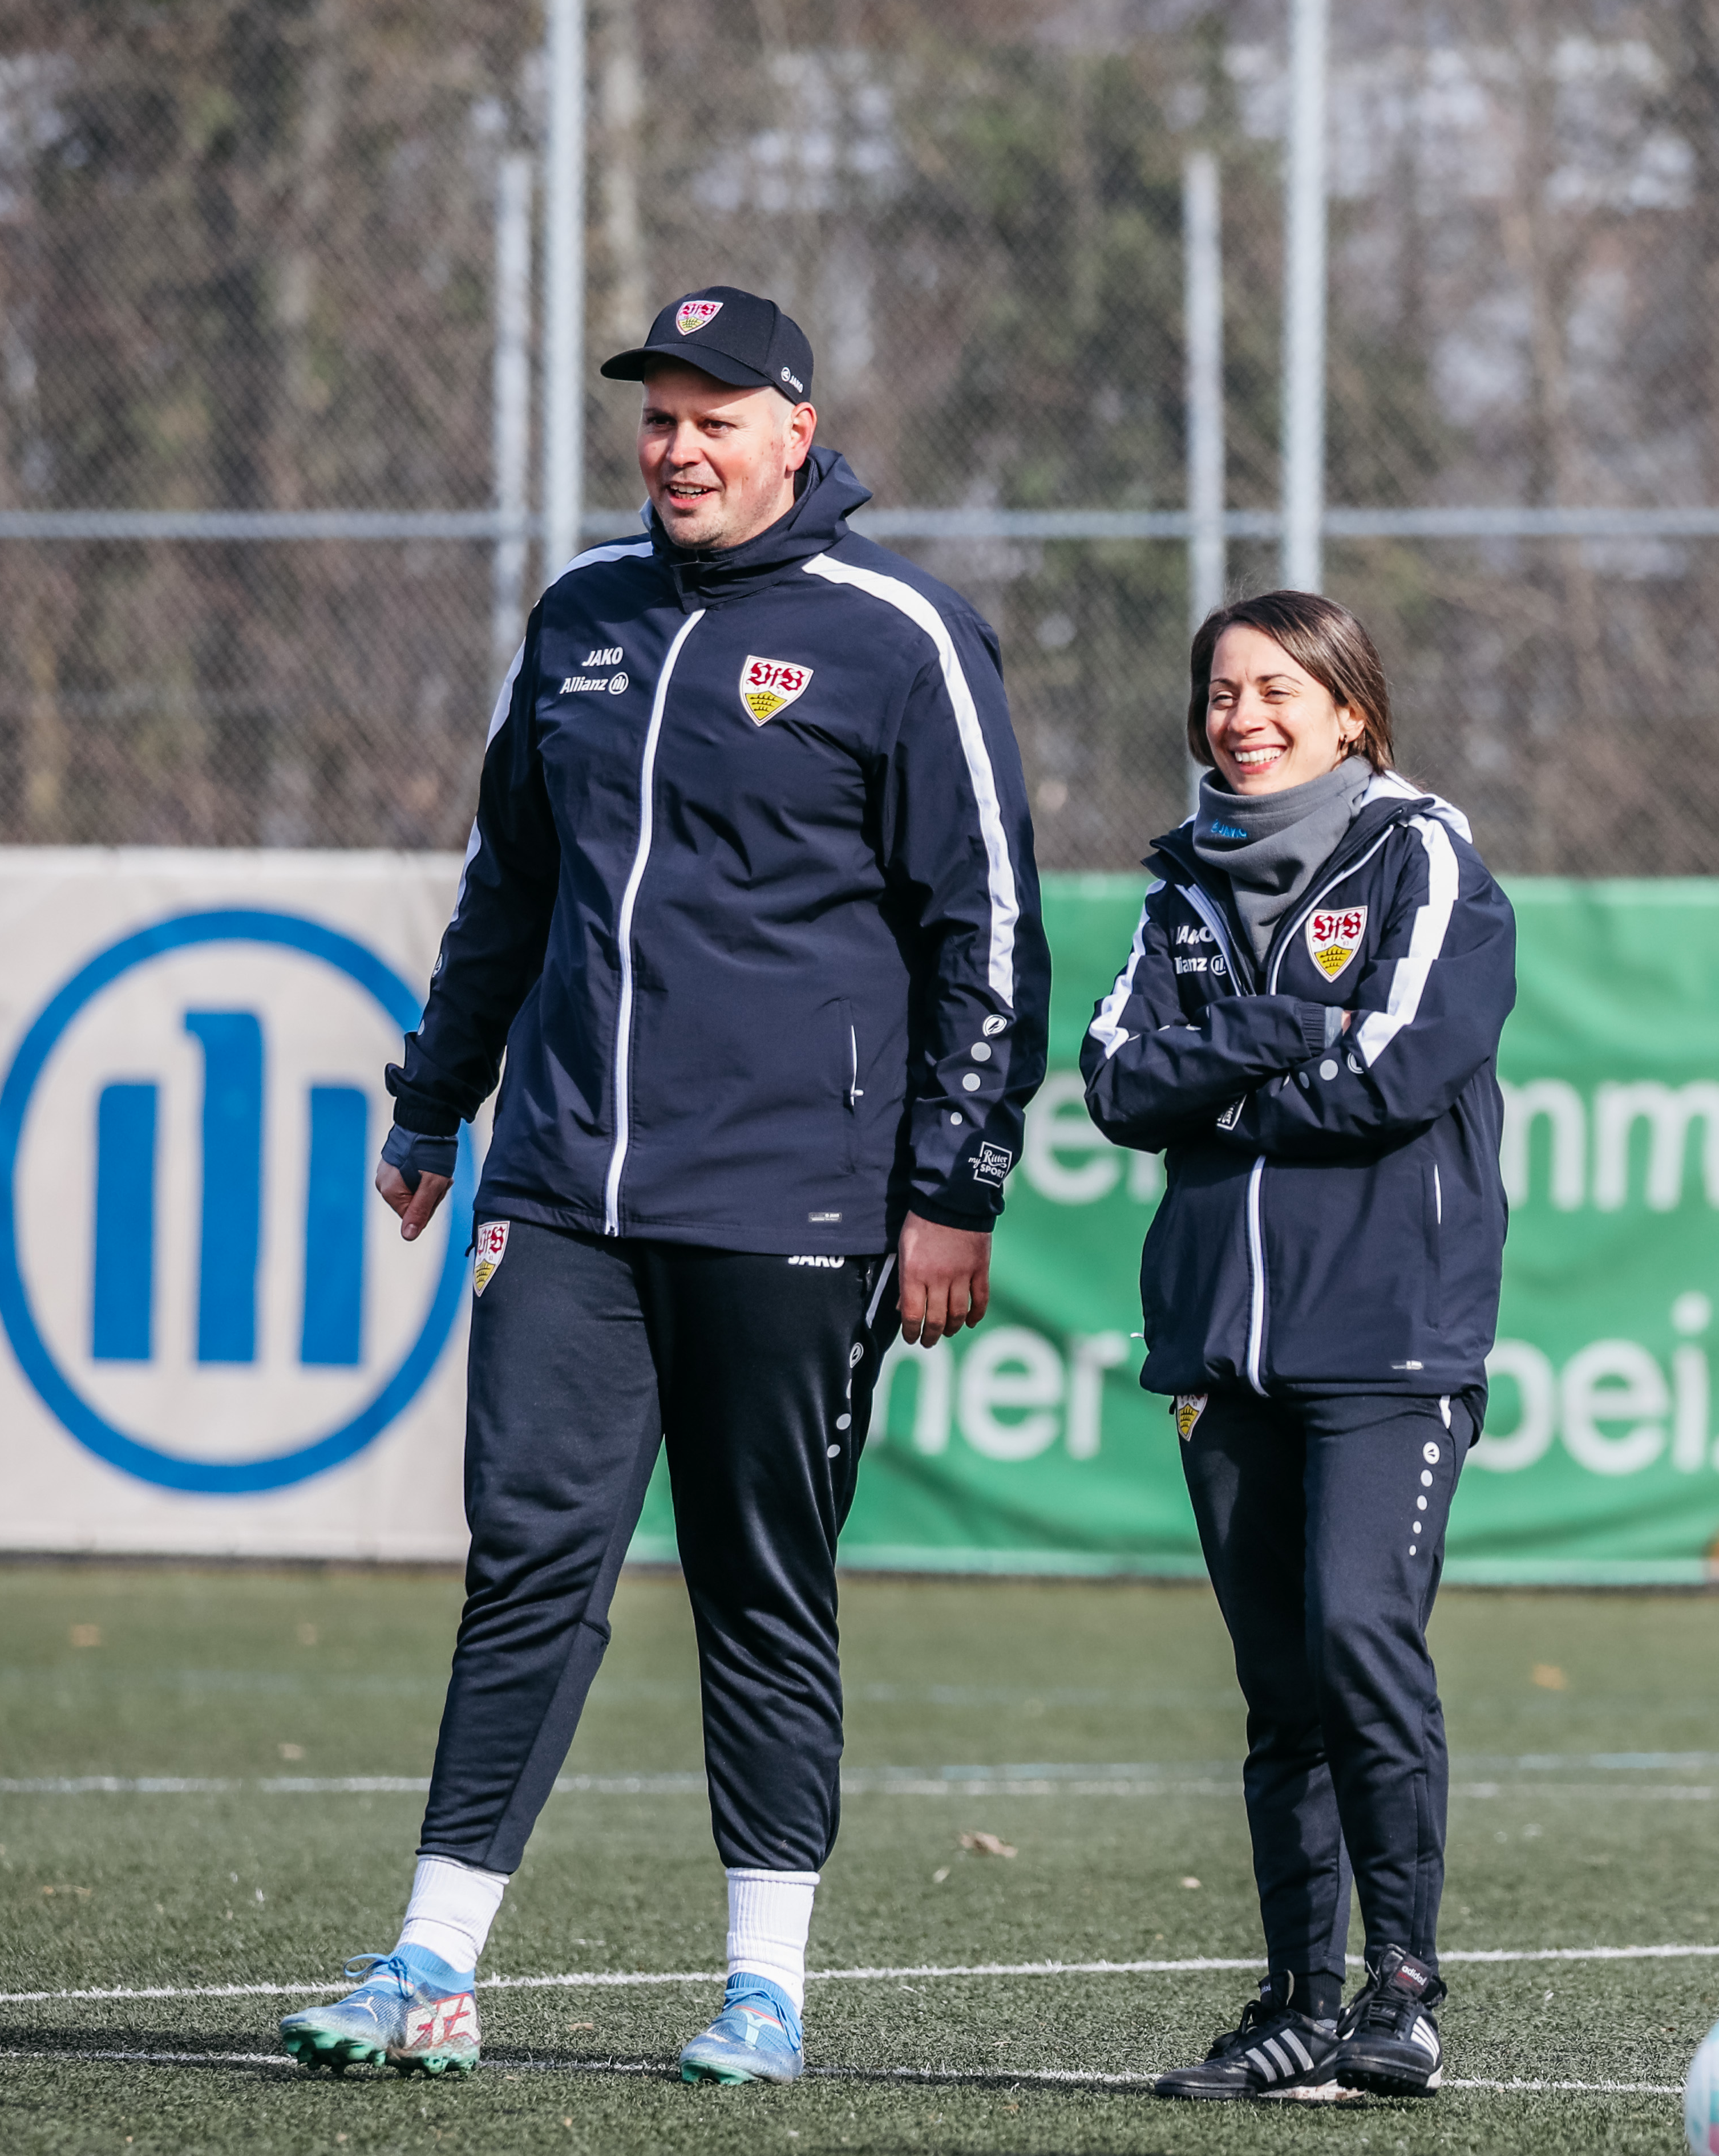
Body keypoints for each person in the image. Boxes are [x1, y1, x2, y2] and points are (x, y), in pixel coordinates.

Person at [274, 285, 1047, 2086]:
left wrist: (959, 1182)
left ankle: (764, 1989)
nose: (678, 447)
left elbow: (986, 923)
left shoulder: (901, 632)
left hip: (800, 1201)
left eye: (714, 415)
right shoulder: (582, 618)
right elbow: (509, 886)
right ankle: (431, 1960)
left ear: (796, 428)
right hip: (561, 1194)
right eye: (656, 417)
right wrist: (432, 1101)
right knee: (529, 1562)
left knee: (760, 1577)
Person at [1082, 592, 1516, 2102]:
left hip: (1389, 1338)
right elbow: (1116, 1077)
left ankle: (1401, 1986)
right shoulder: (1179, 891)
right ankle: (1293, 1996)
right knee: (1280, 1686)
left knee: (1357, 1636)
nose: (1241, 716)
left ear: (1351, 711)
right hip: (1218, 1344)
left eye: (1276, 688)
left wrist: (1234, 1076)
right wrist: (1277, 1034)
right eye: (1220, 691)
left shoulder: (1423, 855)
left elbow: (1398, 1066)